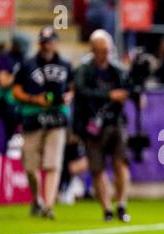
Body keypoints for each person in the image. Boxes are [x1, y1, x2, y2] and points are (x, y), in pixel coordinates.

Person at [12, 26, 73, 219]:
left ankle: (48, 206)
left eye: (50, 41)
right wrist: (34, 99)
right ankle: (36, 199)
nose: (47, 45)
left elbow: (72, 88)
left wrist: (68, 97)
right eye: (44, 42)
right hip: (33, 117)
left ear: (55, 42)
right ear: (40, 43)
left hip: (57, 117)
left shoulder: (65, 64)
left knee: (53, 163)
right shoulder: (28, 64)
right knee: (31, 166)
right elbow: (16, 90)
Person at [74, 29, 131, 222]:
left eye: (105, 49)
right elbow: (80, 92)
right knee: (97, 168)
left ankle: (122, 204)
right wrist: (109, 95)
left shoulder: (118, 70)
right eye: (98, 50)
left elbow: (131, 88)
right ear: (91, 50)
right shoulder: (84, 69)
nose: (102, 54)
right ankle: (107, 209)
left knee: (120, 163)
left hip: (115, 123)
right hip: (93, 125)